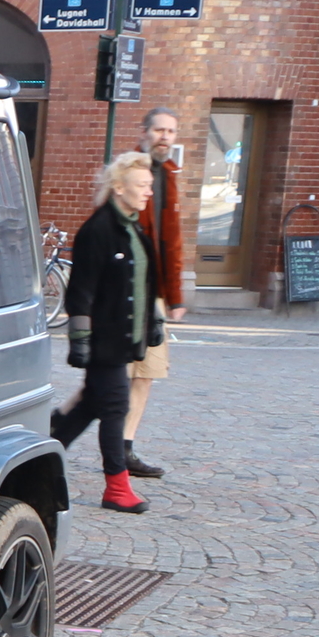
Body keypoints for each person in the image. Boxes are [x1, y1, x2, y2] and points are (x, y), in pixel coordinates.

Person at [56, 151, 161, 514]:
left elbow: (146, 282)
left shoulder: (133, 227)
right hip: (105, 341)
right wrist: (80, 341)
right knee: (115, 406)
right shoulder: (98, 230)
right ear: (119, 187)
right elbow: (80, 292)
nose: (148, 192)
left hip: (124, 338)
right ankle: (117, 488)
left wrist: (154, 323)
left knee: (92, 404)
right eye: (141, 185)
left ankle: (49, 444)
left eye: (150, 185)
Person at [123, 106, 184, 478]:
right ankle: (59, 428)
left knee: (145, 373)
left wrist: (174, 296)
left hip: (155, 294)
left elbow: (173, 240)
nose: (164, 137)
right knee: (111, 377)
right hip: (127, 290)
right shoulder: (129, 174)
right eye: (159, 130)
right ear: (145, 132)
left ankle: (124, 448)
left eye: (171, 131)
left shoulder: (171, 176)